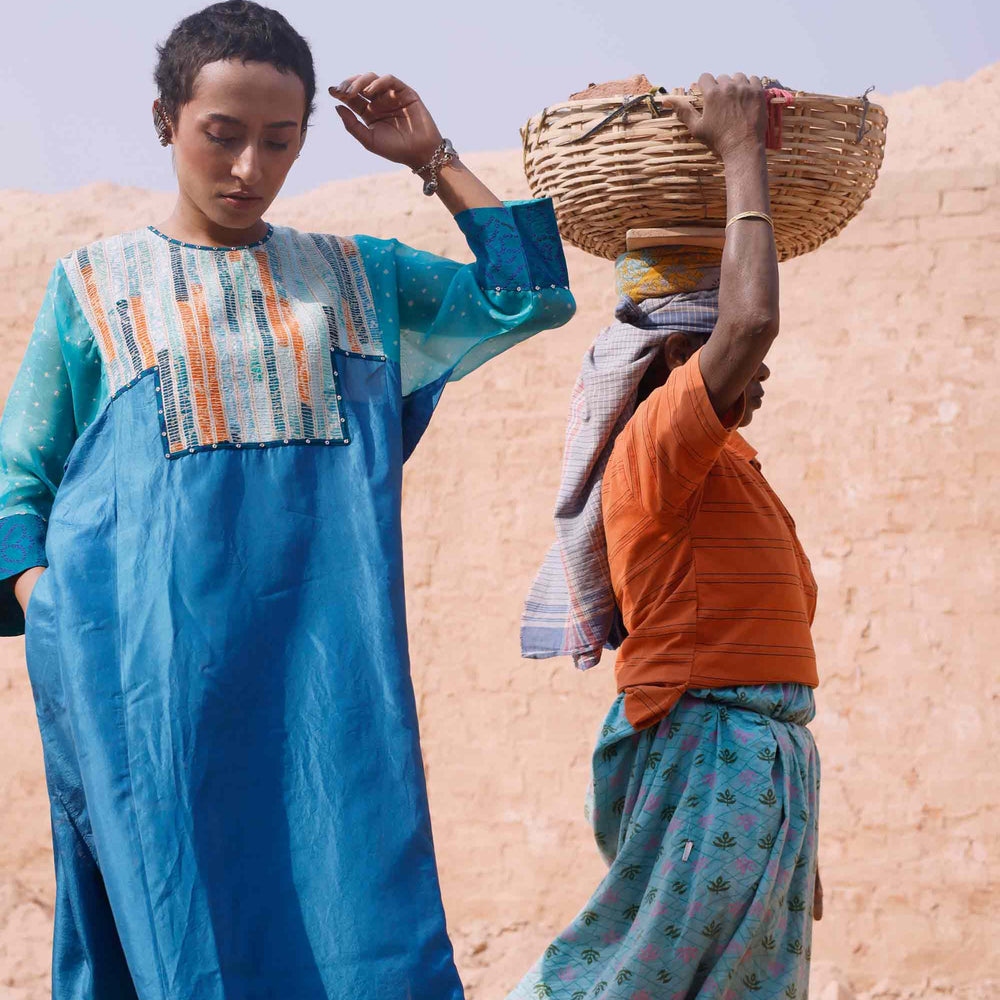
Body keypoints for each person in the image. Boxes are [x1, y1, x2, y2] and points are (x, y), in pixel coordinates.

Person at [0, 3, 575, 997]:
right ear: (164, 120)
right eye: (221, 135)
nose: (248, 169)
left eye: (279, 140)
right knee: (174, 935)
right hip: (146, 678)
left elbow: (528, 297)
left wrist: (432, 157)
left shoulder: (354, 278)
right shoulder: (96, 285)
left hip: (327, 677)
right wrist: (53, 614)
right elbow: (20, 479)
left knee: (361, 917)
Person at [515, 74, 821, 999]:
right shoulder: (658, 438)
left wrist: (790, 832)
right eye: (723, 354)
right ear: (675, 357)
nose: (753, 373)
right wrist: (740, 156)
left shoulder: (726, 459)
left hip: (760, 763)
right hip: (712, 753)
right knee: (640, 980)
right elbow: (753, 318)